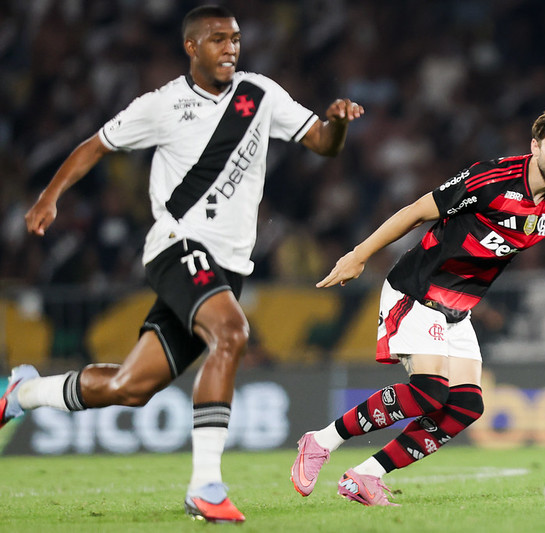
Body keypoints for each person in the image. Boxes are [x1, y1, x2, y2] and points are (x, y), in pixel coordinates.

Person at [0, 5, 364, 523]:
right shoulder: (162, 105)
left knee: (132, 386)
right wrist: (49, 197)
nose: (231, 48)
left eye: (235, 39)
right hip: (179, 245)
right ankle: (206, 486)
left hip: (227, 267)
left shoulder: (260, 95)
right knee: (233, 335)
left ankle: (25, 392)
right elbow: (94, 146)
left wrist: (336, 123)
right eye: (218, 39)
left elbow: (323, 146)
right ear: (192, 47)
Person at [290, 109, 545, 506]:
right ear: (535, 146)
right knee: (428, 393)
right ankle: (320, 441)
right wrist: (359, 254)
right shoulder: (491, 180)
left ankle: (365, 475)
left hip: (459, 307)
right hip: (419, 290)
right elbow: (416, 212)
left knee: (466, 405)